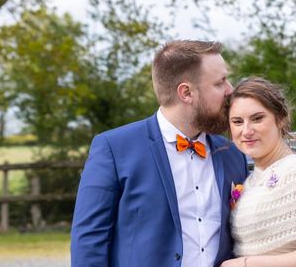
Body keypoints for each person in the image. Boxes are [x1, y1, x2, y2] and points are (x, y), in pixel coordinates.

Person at [71, 40, 249, 267]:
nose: (230, 90)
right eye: (220, 82)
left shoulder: (232, 154)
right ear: (186, 93)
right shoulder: (114, 148)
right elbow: (89, 242)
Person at [220, 77, 296, 267]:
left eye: (257, 118)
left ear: (280, 119)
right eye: (237, 121)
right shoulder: (251, 179)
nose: (246, 131)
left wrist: (243, 264)